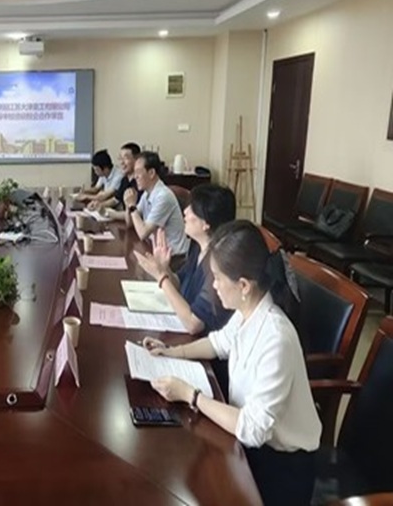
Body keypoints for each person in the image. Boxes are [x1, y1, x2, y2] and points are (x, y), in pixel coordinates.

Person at [144, 220, 320, 506]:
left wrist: (191, 395)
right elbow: (218, 343)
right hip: (247, 443)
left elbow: (253, 430)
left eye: (217, 277)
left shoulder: (277, 339)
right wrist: (173, 352)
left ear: (243, 285)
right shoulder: (248, 310)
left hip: (279, 467)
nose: (213, 285)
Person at [135, 184, 236, 333]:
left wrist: (161, 277)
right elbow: (179, 283)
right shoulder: (198, 247)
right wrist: (165, 269)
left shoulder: (218, 263)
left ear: (205, 224)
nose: (185, 211)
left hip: (203, 341)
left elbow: (194, 324)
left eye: (192, 209)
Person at [124, 151, 189, 256]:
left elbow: (143, 233)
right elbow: (129, 223)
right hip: (157, 249)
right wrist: (128, 204)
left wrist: (132, 206)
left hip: (175, 256)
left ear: (151, 173)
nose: (135, 177)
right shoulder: (147, 193)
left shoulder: (163, 196)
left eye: (138, 172)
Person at [90, 142, 141, 212]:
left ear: (137, 159)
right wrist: (98, 205)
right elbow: (116, 200)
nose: (122, 162)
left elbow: (136, 212)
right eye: (120, 158)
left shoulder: (140, 181)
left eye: (125, 158)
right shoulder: (125, 179)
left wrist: (109, 214)